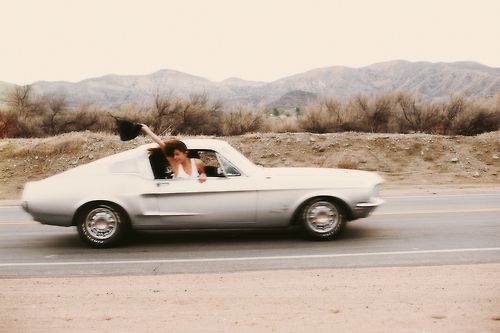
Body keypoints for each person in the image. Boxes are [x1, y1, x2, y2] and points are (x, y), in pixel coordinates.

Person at [141, 124, 207, 183]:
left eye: (177, 154)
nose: (175, 157)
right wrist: (147, 130)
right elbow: (162, 144)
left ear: (185, 153)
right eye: (173, 155)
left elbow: (202, 173)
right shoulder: (175, 163)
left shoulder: (198, 162)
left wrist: (203, 175)